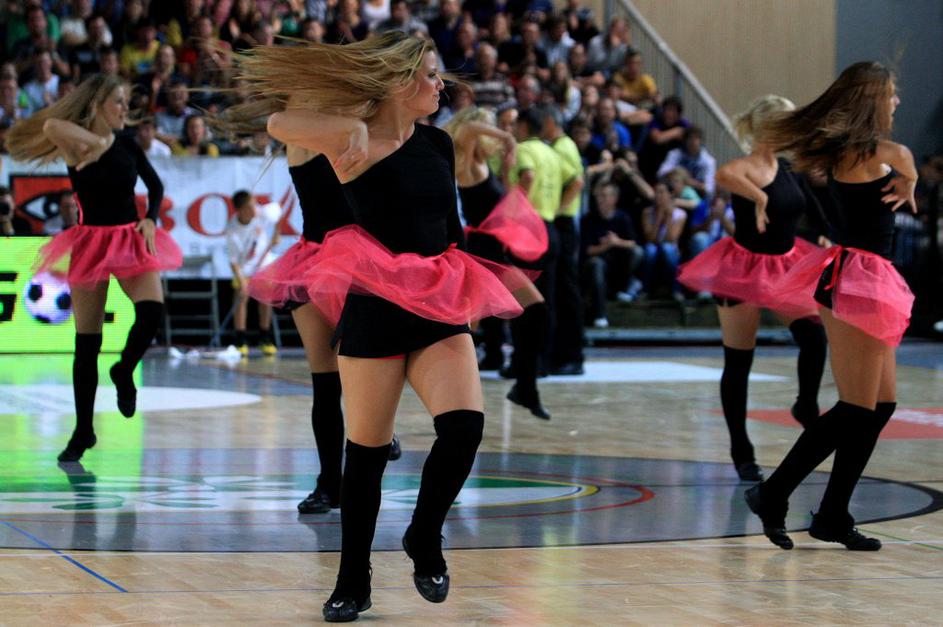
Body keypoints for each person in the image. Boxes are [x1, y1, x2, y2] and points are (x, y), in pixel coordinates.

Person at [238, 32, 527, 621]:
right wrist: (349, 120)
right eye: (430, 75)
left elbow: (451, 230)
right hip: (374, 306)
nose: (440, 85)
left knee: (465, 428)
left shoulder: (439, 142)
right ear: (399, 81)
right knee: (365, 457)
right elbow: (277, 122)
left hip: (437, 302)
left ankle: (424, 534)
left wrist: (468, 293)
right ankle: (353, 580)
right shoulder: (355, 140)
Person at [744, 62, 917, 551]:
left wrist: (908, 179)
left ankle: (833, 514)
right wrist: (910, 177)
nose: (897, 102)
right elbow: (903, 155)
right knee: (856, 407)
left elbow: (901, 160)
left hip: (866, 280)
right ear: (871, 99)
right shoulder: (865, 151)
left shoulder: (854, 150)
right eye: (890, 94)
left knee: (880, 406)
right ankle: (772, 493)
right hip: (857, 282)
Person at [6, 74, 181, 462]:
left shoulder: (129, 143)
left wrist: (150, 218)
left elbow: (155, 186)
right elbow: (51, 125)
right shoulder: (74, 144)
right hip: (90, 242)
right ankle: (83, 430)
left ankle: (124, 370)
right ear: (97, 105)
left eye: (125, 101)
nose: (125, 108)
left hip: (129, 237)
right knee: (87, 344)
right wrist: (99, 143)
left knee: (152, 311)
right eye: (118, 101)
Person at [676, 95, 830, 482]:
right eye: (788, 122)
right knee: (739, 362)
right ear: (770, 127)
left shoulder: (789, 168)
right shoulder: (740, 168)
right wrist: (759, 197)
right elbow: (723, 176)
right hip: (742, 269)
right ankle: (741, 450)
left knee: (814, 337)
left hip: (785, 266)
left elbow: (809, 206)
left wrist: (824, 235)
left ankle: (805, 404)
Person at [244, 143, 402, 513]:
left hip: (360, 263)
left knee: (365, 366)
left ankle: (382, 430)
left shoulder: (359, 129)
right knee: (325, 381)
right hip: (313, 262)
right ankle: (329, 484)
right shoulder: (303, 135)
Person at [445, 106, 551, 418]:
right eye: (488, 128)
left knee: (535, 310)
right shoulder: (465, 161)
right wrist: (509, 137)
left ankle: (525, 387)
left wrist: (506, 169)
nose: (491, 135)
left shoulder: (483, 165)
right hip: (478, 255)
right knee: (462, 333)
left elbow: (505, 208)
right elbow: (467, 130)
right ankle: (452, 405)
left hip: (493, 254)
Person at [541, 106, 586, 375]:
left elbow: (577, 182)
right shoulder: (560, 145)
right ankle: (563, 354)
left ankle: (572, 356)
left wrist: (557, 210)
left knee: (567, 291)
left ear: (550, 121)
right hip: (564, 223)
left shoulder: (562, 146)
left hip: (564, 223)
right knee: (561, 290)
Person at [582, 181, 643, 327]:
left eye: (604, 196)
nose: (600, 200)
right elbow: (587, 250)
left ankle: (625, 289)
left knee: (637, 253)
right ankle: (600, 314)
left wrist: (616, 242)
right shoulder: (589, 219)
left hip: (619, 264)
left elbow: (633, 243)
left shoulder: (623, 217)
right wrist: (605, 246)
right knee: (596, 264)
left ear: (614, 198)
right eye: (599, 196)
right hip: (598, 263)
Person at [225, 190, 279, 356]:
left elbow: (279, 213)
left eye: (255, 204)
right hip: (244, 269)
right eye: (250, 206)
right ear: (241, 210)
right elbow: (233, 261)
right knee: (241, 297)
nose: (255, 208)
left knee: (266, 297)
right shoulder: (232, 230)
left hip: (263, 264)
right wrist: (242, 281)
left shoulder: (261, 214)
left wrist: (276, 235)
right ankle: (240, 339)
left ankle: (264, 337)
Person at [640, 181, 686, 299]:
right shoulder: (647, 212)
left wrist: (669, 218)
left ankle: (676, 290)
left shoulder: (680, 214)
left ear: (670, 194)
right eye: (656, 192)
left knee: (667, 249)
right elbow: (650, 239)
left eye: (662, 192)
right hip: (654, 247)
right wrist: (658, 218)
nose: (658, 195)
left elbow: (671, 238)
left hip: (670, 249)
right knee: (650, 250)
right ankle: (645, 290)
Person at [657, 126, 716, 200]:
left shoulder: (708, 161)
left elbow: (709, 189)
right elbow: (660, 174)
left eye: (696, 138)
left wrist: (689, 181)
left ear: (701, 141)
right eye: (690, 138)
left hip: (696, 197)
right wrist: (677, 172)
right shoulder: (675, 154)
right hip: (673, 192)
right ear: (685, 140)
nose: (693, 141)